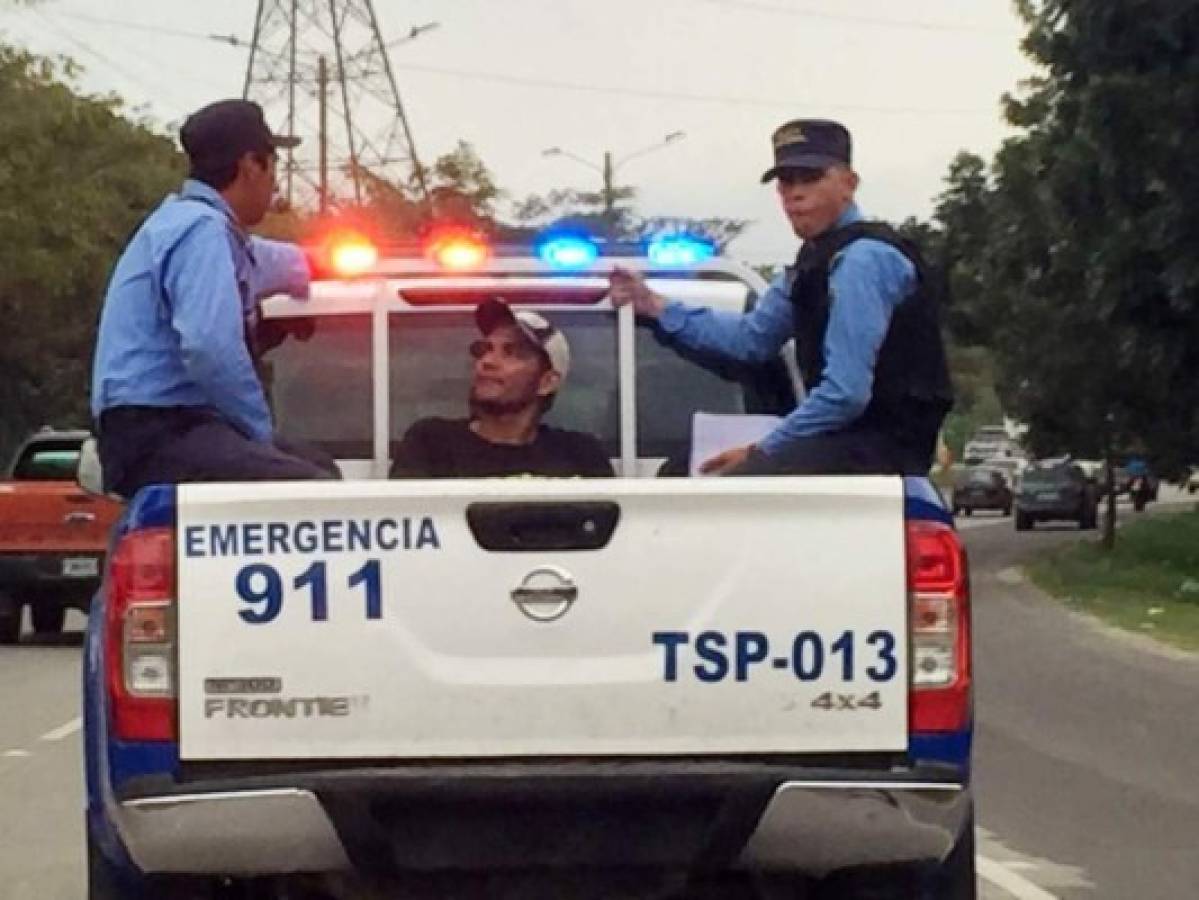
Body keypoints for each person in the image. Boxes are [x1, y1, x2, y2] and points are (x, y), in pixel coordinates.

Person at [608, 119, 952, 476]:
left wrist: (760, 450)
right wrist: (655, 305)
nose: (795, 194)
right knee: (685, 469)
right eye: (787, 182)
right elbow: (751, 339)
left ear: (848, 184)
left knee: (707, 476)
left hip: (883, 450)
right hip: (845, 443)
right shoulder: (813, 262)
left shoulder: (862, 261)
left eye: (811, 178)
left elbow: (845, 394)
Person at [91, 99, 339, 499]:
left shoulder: (205, 230)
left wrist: (331, 261)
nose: (275, 183)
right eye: (273, 166)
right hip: (157, 432)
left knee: (321, 468)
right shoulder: (199, 231)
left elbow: (273, 262)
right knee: (311, 493)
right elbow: (210, 347)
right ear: (250, 165)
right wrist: (259, 434)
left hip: (174, 428)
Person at [390, 298, 614, 479]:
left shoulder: (581, 456)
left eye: (511, 352)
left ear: (547, 382)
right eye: (484, 349)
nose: (487, 361)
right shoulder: (431, 443)